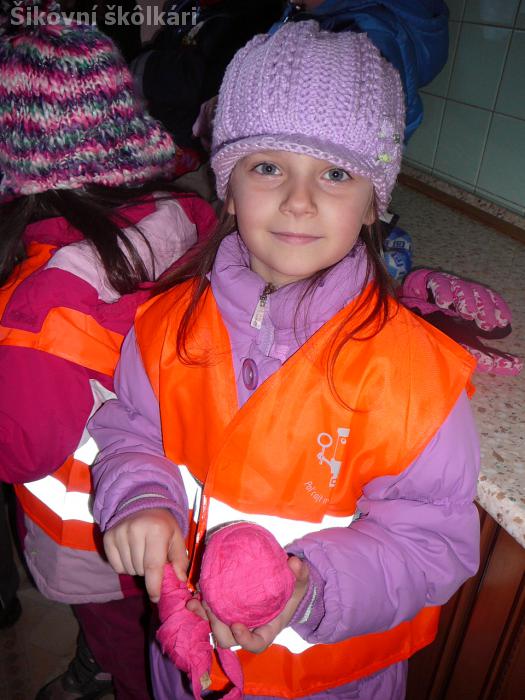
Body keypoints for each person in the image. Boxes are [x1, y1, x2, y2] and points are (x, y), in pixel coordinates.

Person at [90, 21, 481, 700]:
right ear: (228, 186)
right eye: (267, 167)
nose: (299, 201)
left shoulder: (414, 376)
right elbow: (130, 433)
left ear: (373, 203)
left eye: (335, 173)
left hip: (332, 681)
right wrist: (141, 497)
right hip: (188, 664)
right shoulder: (163, 329)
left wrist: (311, 585)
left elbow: (433, 542)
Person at [0, 1, 215, 698]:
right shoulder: (180, 214)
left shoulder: (42, 301)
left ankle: (117, 675)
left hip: (93, 535)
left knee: (126, 643)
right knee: (161, 624)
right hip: (173, 504)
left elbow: (22, 448)